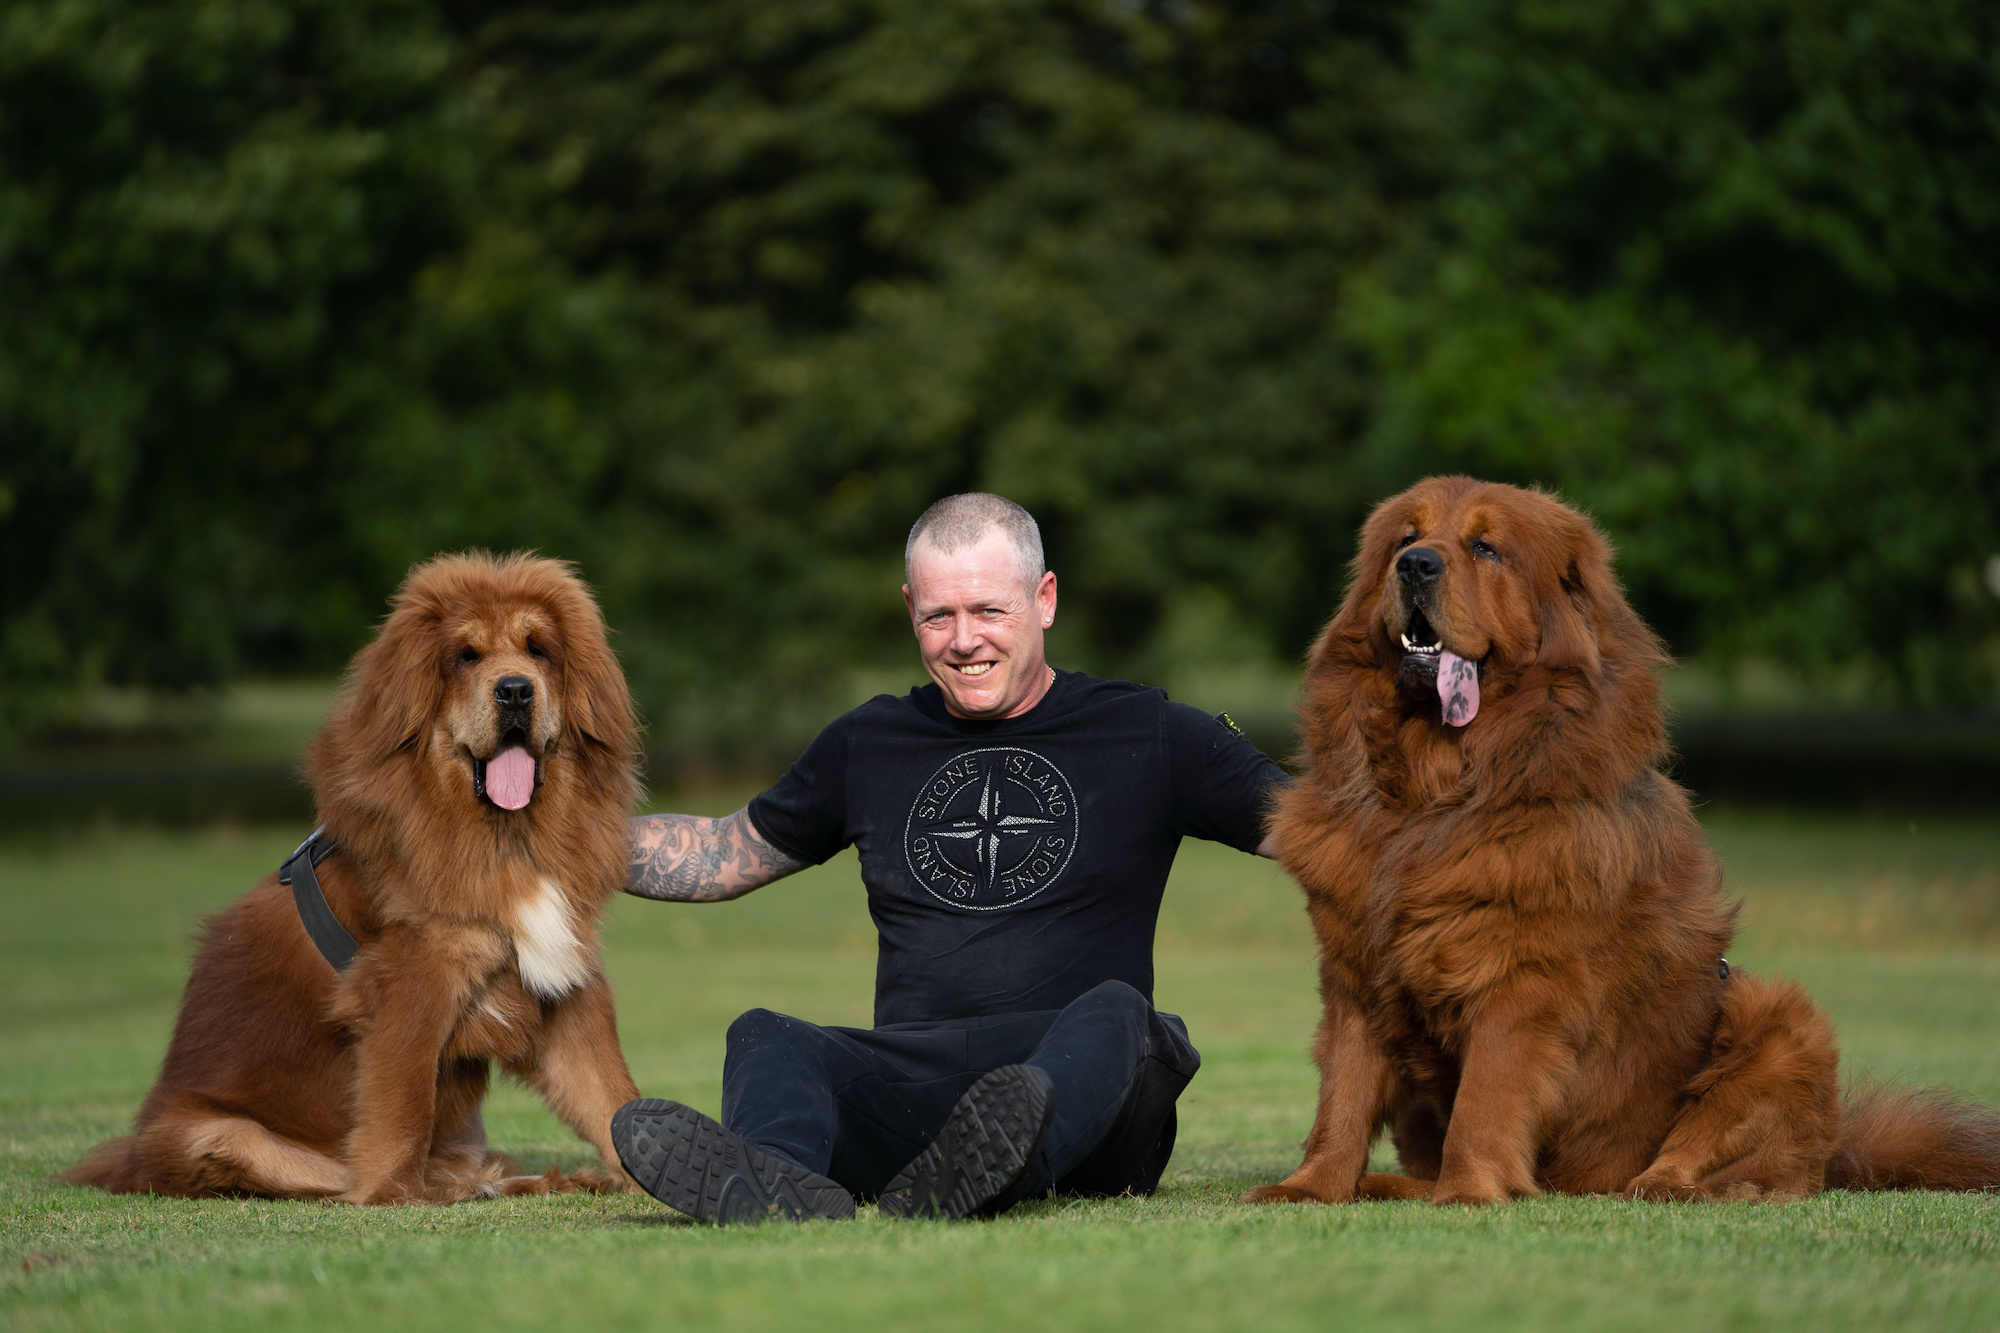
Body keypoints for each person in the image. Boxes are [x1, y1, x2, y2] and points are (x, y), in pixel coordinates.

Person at [609, 493, 1288, 1223]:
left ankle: (1008, 1157)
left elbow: (1324, 833)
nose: (964, 640)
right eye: (939, 617)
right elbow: (722, 850)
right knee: (766, 1035)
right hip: (912, 1087)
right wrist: (535, 834)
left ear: (1045, 598)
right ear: (911, 610)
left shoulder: (1150, 731)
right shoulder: (868, 741)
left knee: (1124, 1013)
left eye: (989, 611)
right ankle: (773, 1184)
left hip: (1087, 1094)